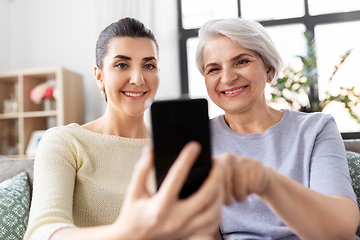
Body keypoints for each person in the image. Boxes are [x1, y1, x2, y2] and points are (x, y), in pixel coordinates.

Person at [24, 17, 225, 240]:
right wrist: (125, 233)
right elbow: (42, 233)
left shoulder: (177, 150)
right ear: (99, 76)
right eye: (122, 65)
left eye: (149, 65)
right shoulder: (65, 142)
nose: (138, 79)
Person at [195, 18, 359, 239]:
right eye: (213, 69)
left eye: (241, 62)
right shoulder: (197, 142)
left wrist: (266, 182)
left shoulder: (316, 129)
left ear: (269, 69)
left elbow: (341, 227)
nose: (227, 77)